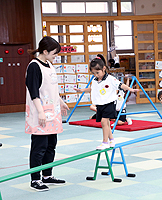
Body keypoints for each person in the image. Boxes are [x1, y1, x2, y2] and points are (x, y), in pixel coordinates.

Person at [25, 36, 69, 191]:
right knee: (39, 147)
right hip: (40, 114)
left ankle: (47, 175)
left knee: (51, 145)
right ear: (45, 51)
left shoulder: (50, 65)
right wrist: (41, 112)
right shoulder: (34, 66)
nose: (55, 57)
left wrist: (61, 102)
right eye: (54, 54)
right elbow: (34, 92)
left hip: (53, 113)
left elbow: (52, 89)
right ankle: (35, 179)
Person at [75, 54, 139, 150]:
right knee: (106, 124)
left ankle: (105, 142)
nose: (96, 75)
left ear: (104, 68)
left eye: (97, 72)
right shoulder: (95, 80)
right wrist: (82, 90)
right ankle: (112, 140)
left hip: (109, 103)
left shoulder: (110, 79)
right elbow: (92, 88)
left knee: (104, 121)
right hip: (100, 104)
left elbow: (121, 85)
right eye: (94, 73)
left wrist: (130, 89)